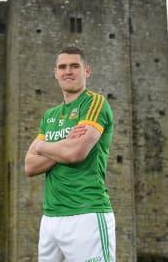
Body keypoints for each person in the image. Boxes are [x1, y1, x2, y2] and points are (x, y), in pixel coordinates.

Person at [24, 46, 115, 262]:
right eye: (62, 67)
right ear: (55, 73)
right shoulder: (50, 116)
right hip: (50, 219)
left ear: (87, 71)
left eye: (75, 66)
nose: (68, 71)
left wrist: (43, 147)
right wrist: (63, 145)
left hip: (87, 214)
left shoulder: (95, 103)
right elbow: (29, 166)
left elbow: (76, 153)